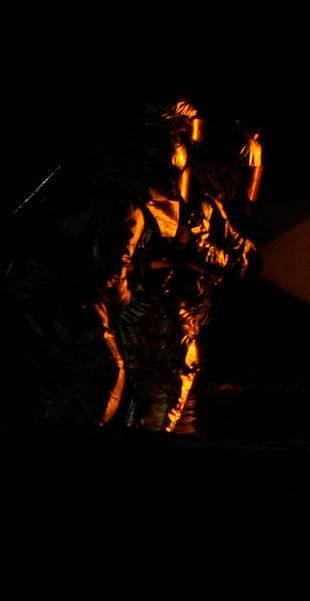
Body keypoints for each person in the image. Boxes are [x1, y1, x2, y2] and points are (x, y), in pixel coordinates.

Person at [5, 100, 195, 424]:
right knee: (99, 367)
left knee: (63, 375)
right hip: (59, 291)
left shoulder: (95, 183)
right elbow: (108, 272)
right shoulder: (124, 205)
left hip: (39, 287)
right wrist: (126, 301)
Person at [118, 120, 261, 432]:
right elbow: (193, 246)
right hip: (155, 306)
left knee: (160, 390)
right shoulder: (187, 199)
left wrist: (245, 251)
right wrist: (234, 262)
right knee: (163, 382)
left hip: (165, 307)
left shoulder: (199, 199)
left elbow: (226, 235)